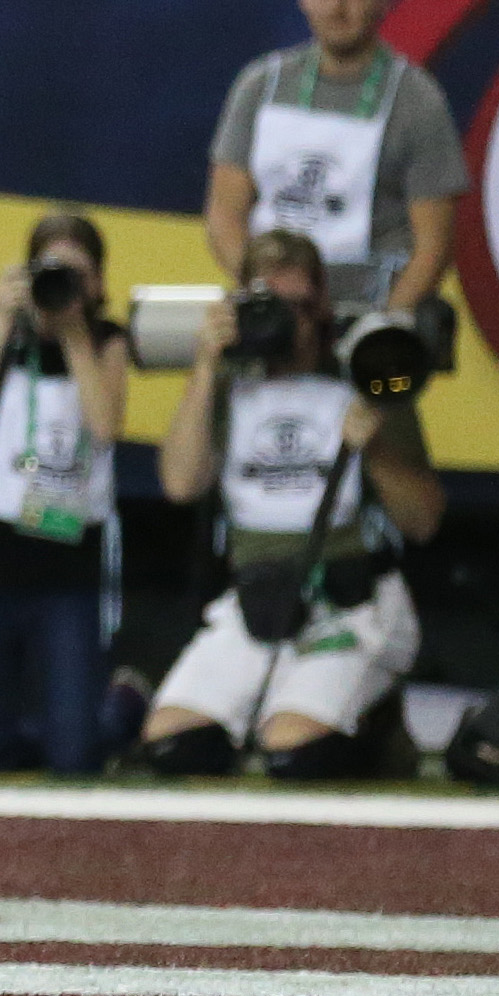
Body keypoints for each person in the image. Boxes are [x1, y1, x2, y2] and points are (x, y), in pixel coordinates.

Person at [140, 230, 443, 779]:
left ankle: (377, 726)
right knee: (171, 745)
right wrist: (204, 366)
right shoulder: (227, 383)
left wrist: (373, 445)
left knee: (294, 755)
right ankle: (289, 703)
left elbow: (423, 522)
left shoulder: (370, 374)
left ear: (322, 306)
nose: (286, 323)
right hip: (260, 603)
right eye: (267, 306)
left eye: (298, 307)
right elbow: (181, 484)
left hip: (350, 602)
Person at [204, 0, 468, 313]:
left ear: (384, 0)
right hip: (272, 315)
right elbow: (225, 215)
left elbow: (434, 246)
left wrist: (379, 328)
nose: (335, 9)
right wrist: (268, 300)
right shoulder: (259, 85)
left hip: (370, 314)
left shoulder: (418, 100)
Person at [0, 213, 127, 773]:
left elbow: (105, 428)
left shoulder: (107, 341)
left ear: (98, 282)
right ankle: (28, 732)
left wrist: (73, 335)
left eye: (77, 274)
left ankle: (124, 708)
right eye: (51, 272)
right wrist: (4, 316)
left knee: (75, 757)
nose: (63, 286)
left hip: (76, 561)